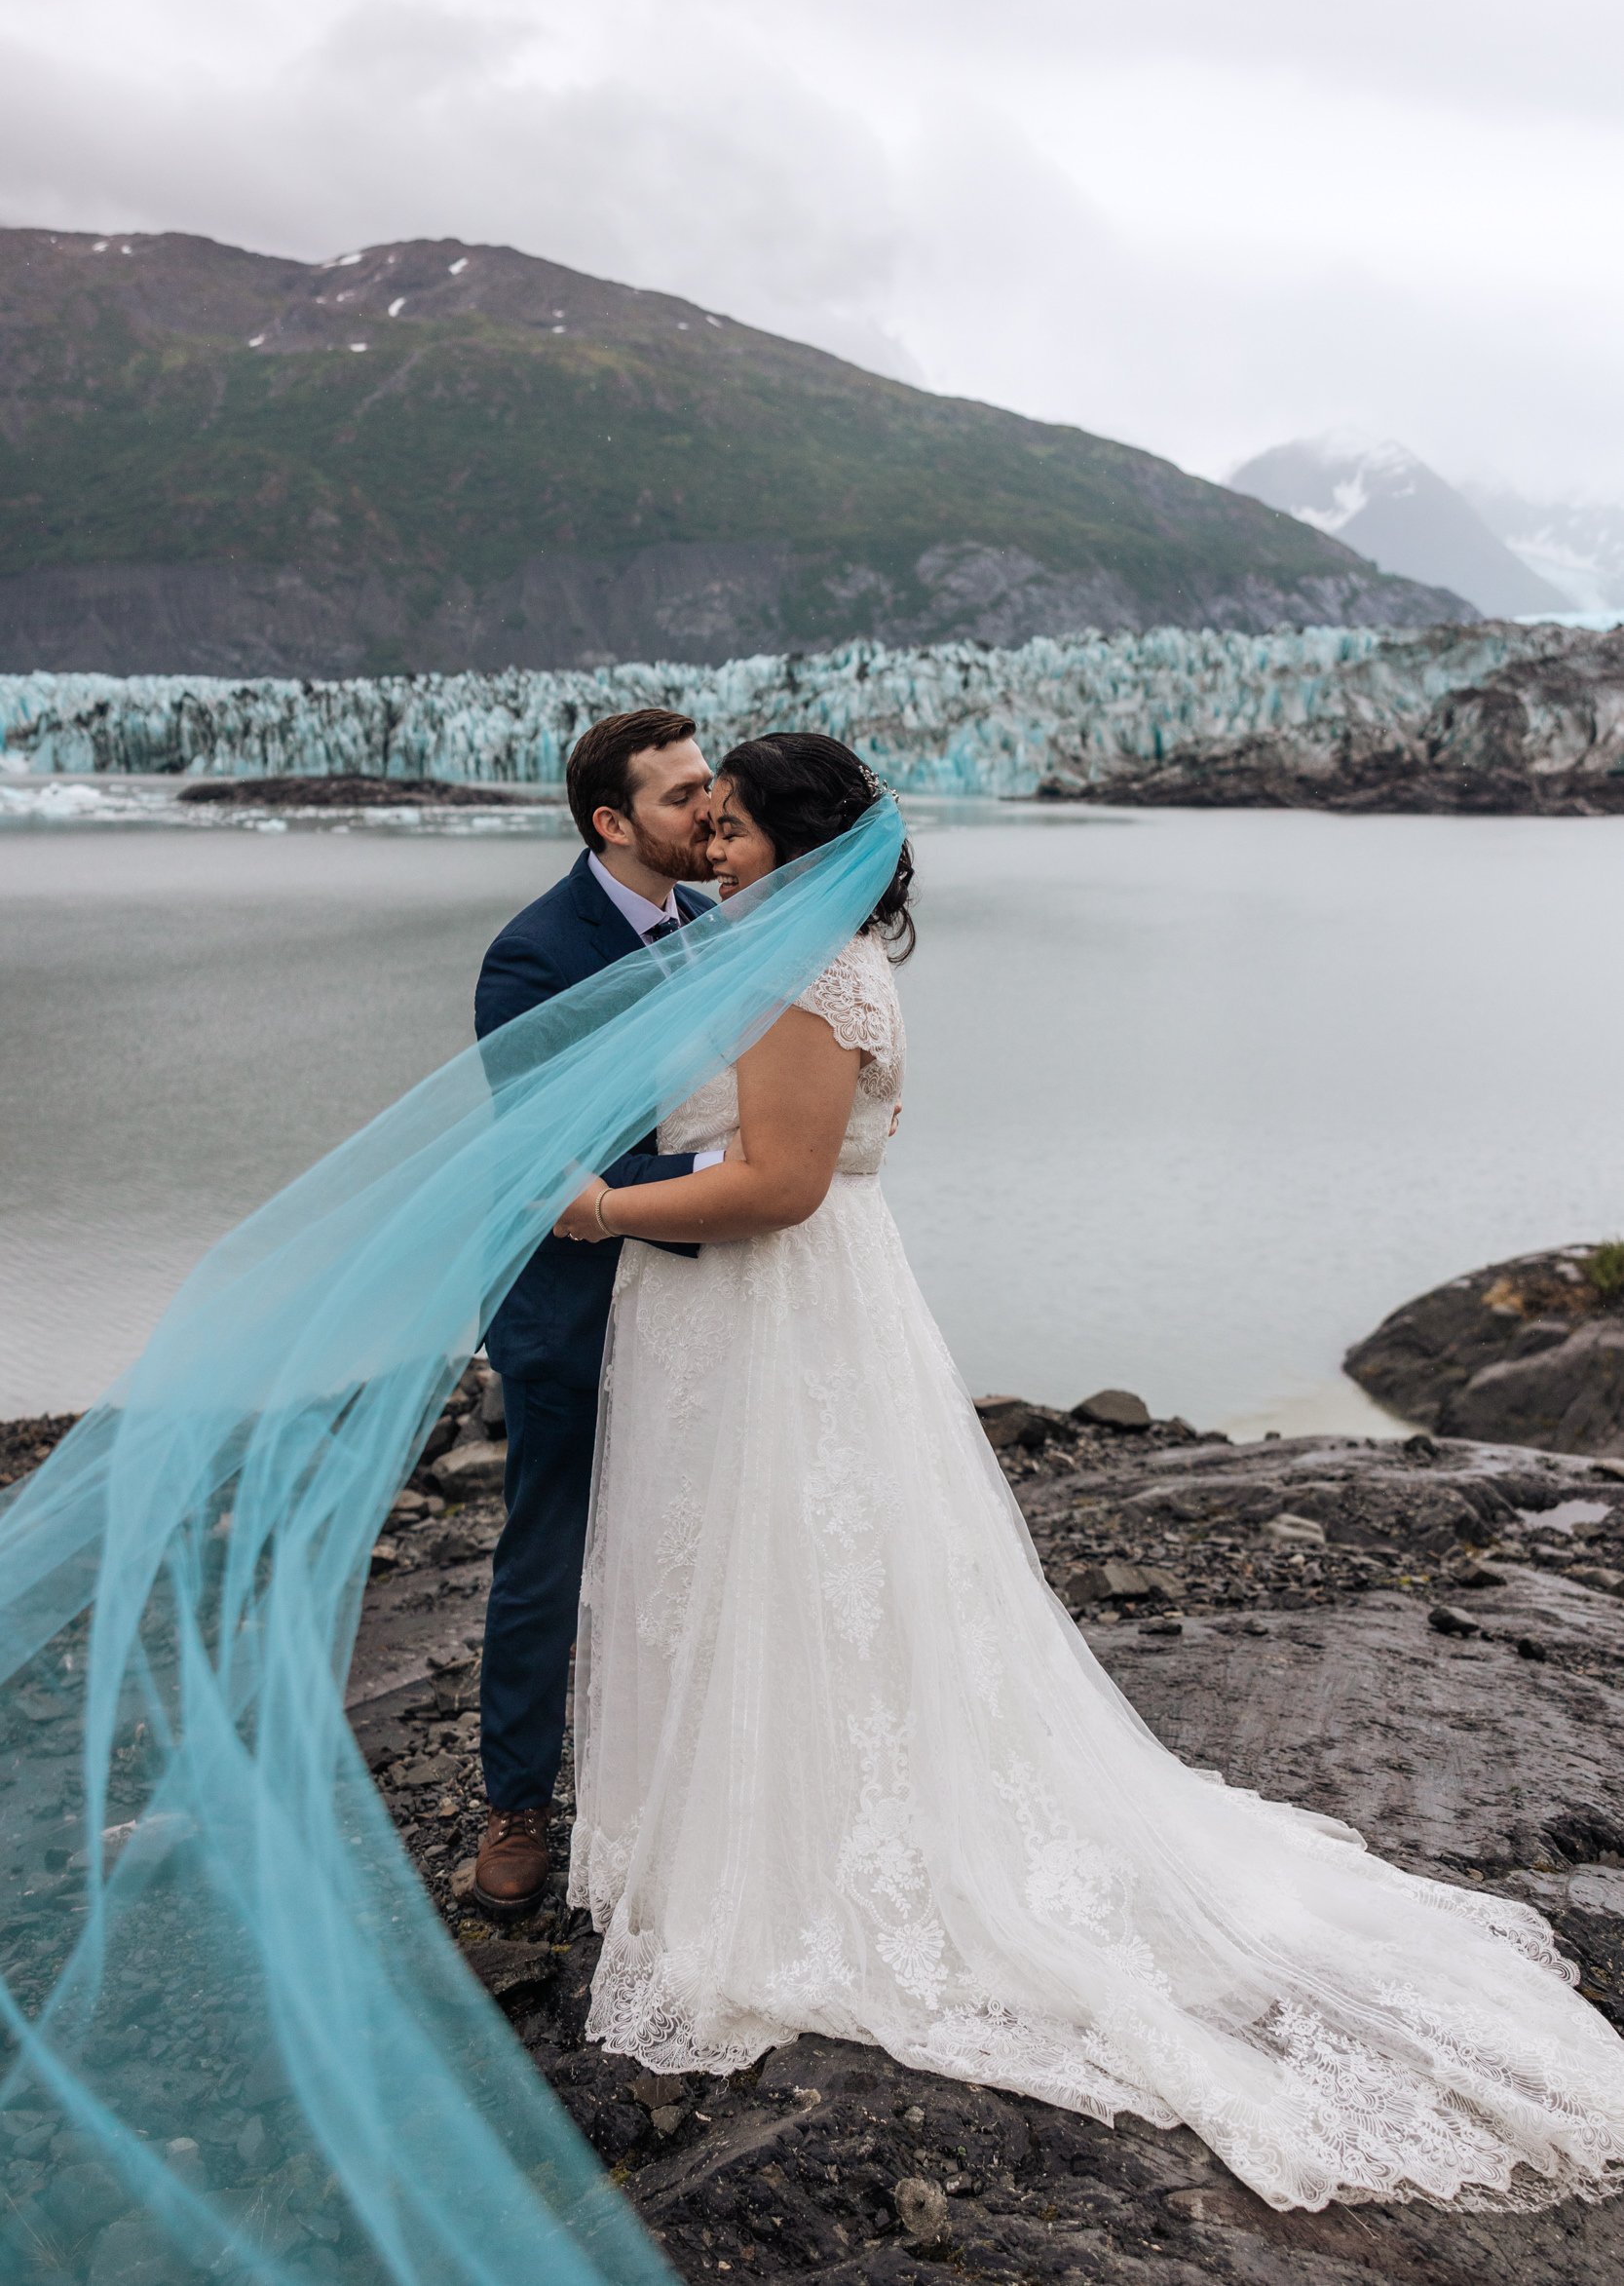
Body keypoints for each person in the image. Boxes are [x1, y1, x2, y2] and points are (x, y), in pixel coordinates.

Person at [550, 728, 1624, 2216]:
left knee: (795, 1563)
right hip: (741, 1325)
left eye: (730, 829)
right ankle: (726, 1816)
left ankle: (792, 1851)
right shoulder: (782, 956)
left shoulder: (808, 975)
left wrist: (602, 1209)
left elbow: (785, 1187)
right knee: (754, 1567)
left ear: (796, 847)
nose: (709, 850)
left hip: (770, 1318)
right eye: (703, 822)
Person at [470, 707, 720, 1919]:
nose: (709, 809)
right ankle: (516, 1802)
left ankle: (674, 1784)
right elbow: (559, 1159)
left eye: (709, 783)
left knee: (689, 1537)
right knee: (547, 1548)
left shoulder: (713, 922)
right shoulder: (533, 954)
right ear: (611, 824)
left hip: (696, 1288)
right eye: (680, 798)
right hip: (572, 1297)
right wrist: (759, 1191)